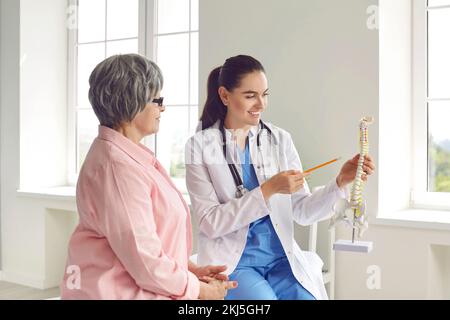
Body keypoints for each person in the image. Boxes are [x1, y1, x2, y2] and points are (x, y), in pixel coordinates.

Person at [185, 55, 375, 300]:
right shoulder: (200, 147)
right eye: (250, 95)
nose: (261, 104)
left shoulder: (279, 139)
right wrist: (268, 190)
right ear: (224, 96)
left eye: (265, 94)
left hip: (281, 261)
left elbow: (303, 211)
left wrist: (341, 181)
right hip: (234, 263)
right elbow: (210, 222)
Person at [60, 54, 236, 300]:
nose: (162, 108)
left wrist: (188, 270)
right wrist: (200, 291)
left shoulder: (126, 157)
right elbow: (145, 260)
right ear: (132, 101)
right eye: (158, 100)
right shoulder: (117, 169)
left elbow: (142, 244)